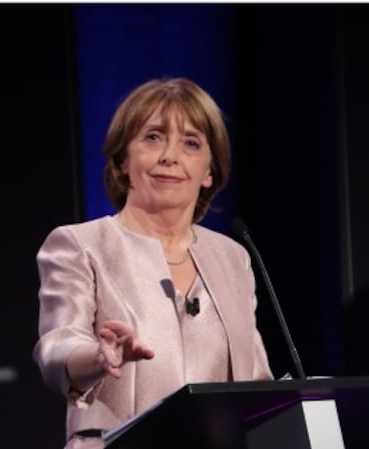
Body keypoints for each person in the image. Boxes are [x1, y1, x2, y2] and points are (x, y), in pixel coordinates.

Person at [32, 77, 274, 449]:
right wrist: (98, 357)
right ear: (123, 160)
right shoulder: (79, 245)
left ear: (209, 171)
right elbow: (56, 349)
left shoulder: (232, 257)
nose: (170, 156)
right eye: (153, 137)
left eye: (191, 143)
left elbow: (256, 382)